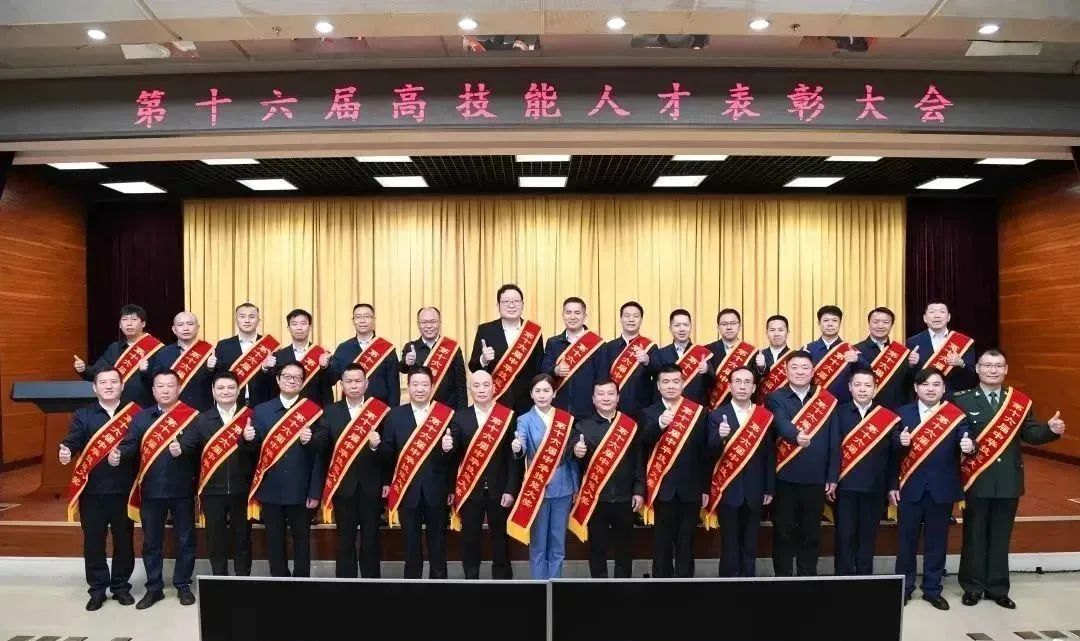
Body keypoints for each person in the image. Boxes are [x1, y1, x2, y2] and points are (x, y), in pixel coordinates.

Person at [953, 349, 1066, 609]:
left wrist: (1050, 430)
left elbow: (1030, 434)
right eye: (987, 365)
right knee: (974, 535)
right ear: (977, 369)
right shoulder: (962, 400)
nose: (992, 370)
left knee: (1001, 536)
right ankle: (972, 587)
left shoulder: (1019, 402)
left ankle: (998, 588)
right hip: (976, 478)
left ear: (1005, 370)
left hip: (1008, 480)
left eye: (998, 366)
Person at [893, 367, 975, 610]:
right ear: (916, 387)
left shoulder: (955, 415)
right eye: (925, 384)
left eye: (936, 384)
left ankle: (932, 589)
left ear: (944, 388)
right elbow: (891, 447)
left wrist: (969, 445)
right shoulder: (902, 413)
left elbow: (967, 438)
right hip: (909, 487)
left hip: (942, 489)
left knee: (937, 543)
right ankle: (904, 588)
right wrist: (899, 441)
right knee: (906, 542)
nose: (931, 389)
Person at [59, 367, 139, 611]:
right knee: (94, 543)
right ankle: (97, 589)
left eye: (114, 382)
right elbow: (73, 439)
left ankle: (121, 587)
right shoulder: (83, 414)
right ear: (94, 388)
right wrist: (66, 450)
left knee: (124, 541)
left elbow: (139, 444)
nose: (109, 386)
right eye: (103, 382)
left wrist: (124, 454)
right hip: (92, 491)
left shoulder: (135, 413)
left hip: (124, 490)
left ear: (122, 386)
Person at [119, 370, 200, 609]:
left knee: (185, 539)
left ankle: (183, 585)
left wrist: (183, 449)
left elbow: (198, 446)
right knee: (152, 542)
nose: (165, 390)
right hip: (151, 489)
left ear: (179, 388)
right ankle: (154, 588)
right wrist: (119, 453)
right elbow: (130, 444)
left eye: (170, 386)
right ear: (153, 391)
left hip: (182, 489)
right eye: (160, 386)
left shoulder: (191, 416)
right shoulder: (142, 417)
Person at [244, 362, 326, 577]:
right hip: (271, 487)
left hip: (302, 489)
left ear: (303, 382)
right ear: (278, 379)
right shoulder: (261, 410)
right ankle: (279, 582)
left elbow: (321, 453)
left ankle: (301, 582)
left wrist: (315, 491)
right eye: (287, 376)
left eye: (297, 377)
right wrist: (247, 439)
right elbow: (252, 450)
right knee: (274, 540)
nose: (292, 381)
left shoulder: (313, 411)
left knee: (302, 540)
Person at [765, 350, 840, 577]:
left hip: (816, 479)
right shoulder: (775, 397)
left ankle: (807, 581)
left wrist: (832, 476)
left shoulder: (826, 399)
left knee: (811, 534)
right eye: (794, 367)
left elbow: (834, 440)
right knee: (783, 533)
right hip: (784, 477)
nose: (800, 372)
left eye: (805, 367)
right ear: (786, 370)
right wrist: (796, 436)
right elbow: (780, 422)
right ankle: (783, 581)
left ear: (813, 370)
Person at [384, 365, 459, 579]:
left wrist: (448, 450)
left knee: (438, 545)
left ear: (432, 387)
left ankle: (439, 587)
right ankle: (412, 589)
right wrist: (374, 447)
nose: (420, 389)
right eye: (415, 384)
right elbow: (388, 455)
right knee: (411, 546)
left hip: (437, 490)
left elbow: (454, 459)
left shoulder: (445, 415)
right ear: (408, 387)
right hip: (406, 490)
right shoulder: (395, 416)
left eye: (425, 384)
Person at [318, 364, 391, 579]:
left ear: (366, 384)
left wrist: (377, 447)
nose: (354, 385)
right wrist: (309, 440)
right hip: (343, 486)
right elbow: (323, 446)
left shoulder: (380, 411)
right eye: (349, 381)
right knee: (345, 540)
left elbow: (390, 451)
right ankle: (345, 584)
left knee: (371, 539)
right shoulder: (331, 411)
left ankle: (371, 583)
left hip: (372, 486)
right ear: (341, 385)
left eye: (358, 381)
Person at [569, 379, 644, 578]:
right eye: (601, 394)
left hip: (625, 498)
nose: (606, 398)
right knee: (597, 549)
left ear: (618, 398)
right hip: (595, 499)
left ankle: (623, 588)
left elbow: (638, 461)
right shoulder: (582, 426)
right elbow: (574, 456)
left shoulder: (630, 426)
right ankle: (598, 588)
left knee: (625, 549)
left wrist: (639, 490)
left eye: (611, 394)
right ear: (593, 399)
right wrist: (576, 451)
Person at [450, 369, 522, 580]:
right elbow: (453, 456)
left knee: (500, 540)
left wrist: (511, 489)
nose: (481, 390)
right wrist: (446, 448)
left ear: (493, 388)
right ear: (470, 389)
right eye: (476, 385)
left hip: (500, 490)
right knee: (470, 540)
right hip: (470, 490)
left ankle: (502, 583)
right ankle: (471, 582)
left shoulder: (507, 416)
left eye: (485, 385)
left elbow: (513, 458)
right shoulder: (459, 417)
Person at [703, 366, 775, 577]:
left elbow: (769, 455)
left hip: (755, 490)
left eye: (747, 382)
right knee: (729, 545)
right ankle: (728, 587)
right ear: (730, 386)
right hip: (727, 489)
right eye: (737, 382)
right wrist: (719, 436)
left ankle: (749, 586)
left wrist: (769, 488)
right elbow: (708, 453)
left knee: (751, 545)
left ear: (754, 387)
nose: (742, 387)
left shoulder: (763, 416)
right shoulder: (717, 415)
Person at [181, 371, 254, 577]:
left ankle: (243, 580)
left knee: (243, 539)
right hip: (212, 490)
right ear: (213, 391)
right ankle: (219, 581)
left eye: (231, 387)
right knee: (215, 540)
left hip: (243, 489)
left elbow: (259, 451)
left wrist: (250, 440)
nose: (226, 391)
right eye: (220, 388)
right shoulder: (202, 419)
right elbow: (189, 448)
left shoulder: (250, 416)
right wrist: (179, 448)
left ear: (238, 391)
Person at [507, 373, 579, 579]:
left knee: (557, 544)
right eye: (537, 391)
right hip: (537, 486)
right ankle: (539, 588)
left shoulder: (565, 419)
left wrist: (575, 486)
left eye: (546, 390)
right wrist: (518, 447)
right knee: (538, 545)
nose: (542, 395)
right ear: (531, 394)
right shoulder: (524, 419)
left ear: (554, 393)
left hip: (563, 486)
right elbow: (521, 444)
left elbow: (571, 457)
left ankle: (554, 586)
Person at [640, 364, 709, 578]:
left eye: (676, 381)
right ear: (658, 386)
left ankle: (685, 587)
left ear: (683, 383)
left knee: (686, 542)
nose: (671, 386)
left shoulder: (698, 412)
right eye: (666, 382)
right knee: (661, 543)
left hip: (691, 489)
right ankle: (661, 587)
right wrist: (660, 424)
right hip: (661, 488)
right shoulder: (648, 412)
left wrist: (705, 488)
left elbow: (705, 453)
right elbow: (643, 443)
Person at [833, 367, 901, 576]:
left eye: (868, 385)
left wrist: (892, 486)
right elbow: (831, 450)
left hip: (874, 488)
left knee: (868, 538)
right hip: (844, 487)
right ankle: (842, 580)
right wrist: (830, 480)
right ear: (850, 387)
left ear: (875, 388)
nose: (862, 389)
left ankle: (865, 581)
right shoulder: (838, 413)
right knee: (844, 536)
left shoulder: (887, 417)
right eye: (858, 385)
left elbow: (893, 457)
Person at [468, 284, 544, 414]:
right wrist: (483, 360)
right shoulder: (485, 330)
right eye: (506, 301)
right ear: (498, 305)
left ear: (522, 304)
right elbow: (473, 367)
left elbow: (539, 368)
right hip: (496, 400)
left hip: (527, 403)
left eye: (516, 301)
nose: (511, 305)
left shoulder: (533, 332)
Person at [74, 304, 161, 408]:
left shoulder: (156, 348)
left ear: (143, 323)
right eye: (125, 319)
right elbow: (96, 373)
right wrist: (83, 369)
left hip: (146, 408)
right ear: (120, 325)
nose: (129, 323)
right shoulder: (114, 348)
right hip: (118, 408)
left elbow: (163, 381)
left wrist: (145, 372)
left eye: (134, 319)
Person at [542, 297, 605, 417]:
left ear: (584, 316)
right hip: (558, 409)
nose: (572, 317)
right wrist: (555, 370)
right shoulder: (553, 343)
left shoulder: (597, 344)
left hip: (588, 411)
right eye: (568, 312)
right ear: (563, 315)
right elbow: (543, 371)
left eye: (577, 313)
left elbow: (602, 378)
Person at [329, 303, 400, 407]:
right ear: (353, 321)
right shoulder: (343, 348)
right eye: (358, 317)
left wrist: (393, 412)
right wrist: (324, 367)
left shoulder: (386, 348)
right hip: (350, 408)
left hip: (380, 409)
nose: (362, 320)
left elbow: (394, 385)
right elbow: (331, 379)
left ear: (374, 320)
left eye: (367, 316)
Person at [400, 306, 468, 411]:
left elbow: (461, 384)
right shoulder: (411, 346)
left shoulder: (452, 347)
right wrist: (407, 362)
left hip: (447, 409)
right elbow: (402, 368)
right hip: (420, 409)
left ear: (440, 322)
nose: (429, 326)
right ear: (418, 324)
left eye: (433, 321)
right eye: (424, 322)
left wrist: (462, 413)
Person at [211, 303, 278, 409]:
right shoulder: (223, 345)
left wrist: (265, 369)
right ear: (236, 320)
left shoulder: (269, 345)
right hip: (231, 404)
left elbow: (277, 378)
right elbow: (218, 375)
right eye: (242, 316)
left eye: (251, 317)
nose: (247, 320)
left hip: (262, 403)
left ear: (258, 321)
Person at [600, 301, 658, 421]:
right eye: (627, 316)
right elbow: (603, 376)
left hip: (641, 408)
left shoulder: (650, 347)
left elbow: (659, 375)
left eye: (636, 316)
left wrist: (647, 361)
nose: (631, 320)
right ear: (621, 319)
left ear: (641, 320)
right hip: (613, 407)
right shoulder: (609, 347)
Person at [906, 300, 976, 394]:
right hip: (925, 396)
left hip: (954, 397)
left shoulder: (963, 341)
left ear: (948, 317)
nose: (937, 315)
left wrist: (962, 364)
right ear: (925, 318)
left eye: (942, 311)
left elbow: (973, 376)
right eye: (932, 312)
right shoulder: (913, 342)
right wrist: (912, 365)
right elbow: (906, 379)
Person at [151, 311, 214, 412]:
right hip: (172, 410)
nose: (186, 328)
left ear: (198, 327)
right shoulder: (164, 352)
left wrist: (212, 369)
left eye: (190, 324)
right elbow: (156, 379)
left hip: (202, 410)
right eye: (180, 325)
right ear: (174, 329)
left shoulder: (210, 351)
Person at [272, 308, 332, 406]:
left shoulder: (323, 354)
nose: (299, 328)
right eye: (294, 324)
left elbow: (329, 383)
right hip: (285, 409)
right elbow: (273, 387)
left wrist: (324, 367)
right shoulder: (278, 356)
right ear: (288, 328)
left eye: (303, 324)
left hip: (315, 408)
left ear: (310, 327)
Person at [854, 307, 910, 411]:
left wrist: (913, 365)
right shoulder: (856, 350)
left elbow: (907, 384)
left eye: (885, 322)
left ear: (891, 325)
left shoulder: (901, 353)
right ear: (869, 323)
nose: (880, 326)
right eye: (875, 322)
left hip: (895, 409)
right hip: (865, 410)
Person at [653, 309, 713, 406]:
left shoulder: (702, 353)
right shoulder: (660, 354)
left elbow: (712, 384)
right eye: (677, 325)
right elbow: (656, 386)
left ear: (691, 326)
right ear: (670, 328)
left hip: (695, 409)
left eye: (685, 325)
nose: (682, 329)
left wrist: (707, 371)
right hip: (668, 409)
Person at [805, 305, 860, 404]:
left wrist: (858, 361)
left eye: (834, 320)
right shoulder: (808, 349)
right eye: (826, 320)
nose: (830, 324)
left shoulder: (850, 350)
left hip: (843, 405)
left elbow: (867, 373)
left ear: (840, 323)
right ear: (819, 323)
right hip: (814, 405)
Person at [706, 308, 758, 411]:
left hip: (743, 408)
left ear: (740, 326)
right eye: (724, 324)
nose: (729, 327)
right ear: (718, 327)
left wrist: (761, 367)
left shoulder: (752, 352)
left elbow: (756, 381)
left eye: (733, 323)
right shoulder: (707, 351)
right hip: (715, 409)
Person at [754, 314, 793, 401]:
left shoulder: (795, 356)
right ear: (766, 333)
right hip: (762, 403)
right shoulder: (757, 355)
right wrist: (761, 368)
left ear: (788, 332)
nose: (776, 334)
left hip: (788, 403)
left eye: (780, 330)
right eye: (772, 330)